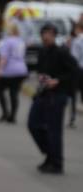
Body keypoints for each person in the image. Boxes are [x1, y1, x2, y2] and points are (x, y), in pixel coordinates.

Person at [28, 23, 78, 174]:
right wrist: (41, 79)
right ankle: (49, 153)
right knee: (33, 124)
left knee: (54, 131)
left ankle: (56, 162)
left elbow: (75, 71)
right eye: (44, 33)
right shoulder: (43, 51)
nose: (46, 36)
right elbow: (40, 70)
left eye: (49, 33)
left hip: (58, 95)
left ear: (55, 35)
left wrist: (58, 81)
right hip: (43, 94)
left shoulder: (61, 52)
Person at [0, 21, 28, 124]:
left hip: (9, 70)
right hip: (21, 69)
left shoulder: (7, 41)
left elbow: (3, 57)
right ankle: (12, 116)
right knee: (14, 92)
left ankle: (5, 112)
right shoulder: (21, 41)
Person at [68, 20, 83, 128]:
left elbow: (74, 58)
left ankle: (72, 118)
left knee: (73, 95)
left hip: (78, 70)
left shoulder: (76, 41)